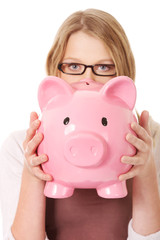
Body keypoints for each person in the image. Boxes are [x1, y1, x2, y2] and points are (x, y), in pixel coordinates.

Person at [0, 8, 160, 240]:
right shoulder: (19, 147)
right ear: (56, 73)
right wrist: (33, 173)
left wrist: (145, 173)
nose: (89, 79)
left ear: (123, 77)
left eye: (104, 67)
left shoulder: (155, 142)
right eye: (74, 66)